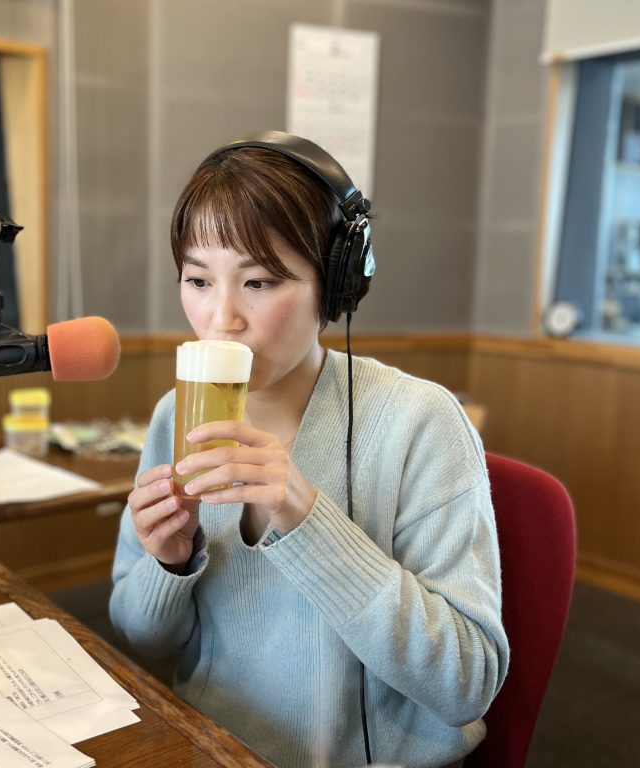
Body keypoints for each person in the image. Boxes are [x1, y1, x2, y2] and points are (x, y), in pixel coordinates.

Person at [110, 131, 509, 768]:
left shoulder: (420, 422)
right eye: (198, 280)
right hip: (209, 747)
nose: (221, 319)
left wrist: (307, 519)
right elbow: (143, 638)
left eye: (259, 282)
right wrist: (168, 564)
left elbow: (466, 682)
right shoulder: (173, 417)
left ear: (336, 285)